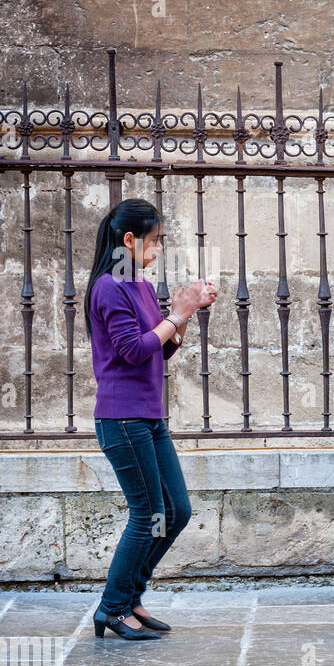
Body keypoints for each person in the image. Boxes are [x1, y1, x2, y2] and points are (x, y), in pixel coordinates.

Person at [86, 198, 218, 641]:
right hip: (122, 420)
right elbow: (132, 350)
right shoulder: (109, 286)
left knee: (175, 511)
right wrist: (176, 313)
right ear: (129, 240)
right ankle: (111, 608)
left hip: (148, 417)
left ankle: (130, 597)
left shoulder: (138, 285)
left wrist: (186, 313)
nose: (160, 248)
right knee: (147, 515)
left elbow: (160, 349)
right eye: (156, 240)